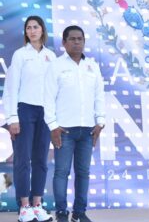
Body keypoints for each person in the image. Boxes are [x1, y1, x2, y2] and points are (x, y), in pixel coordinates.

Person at [43, 26, 106, 222]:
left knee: (83, 172)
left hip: (87, 129)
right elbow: (48, 97)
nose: (77, 42)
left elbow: (99, 96)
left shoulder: (93, 66)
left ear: (84, 42)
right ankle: (61, 212)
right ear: (64, 43)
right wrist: (53, 125)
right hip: (64, 130)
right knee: (61, 172)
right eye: (72, 39)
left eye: (80, 39)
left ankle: (79, 213)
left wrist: (100, 122)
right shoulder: (56, 66)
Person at [2, 16, 56, 222]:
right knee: (23, 160)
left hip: (45, 113)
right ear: (26, 32)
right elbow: (11, 88)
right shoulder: (20, 55)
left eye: (36, 27)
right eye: (28, 28)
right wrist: (12, 117)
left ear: (43, 30)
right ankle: (24, 206)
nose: (32, 31)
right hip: (24, 111)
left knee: (41, 161)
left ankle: (37, 204)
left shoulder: (51, 56)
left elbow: (54, 89)